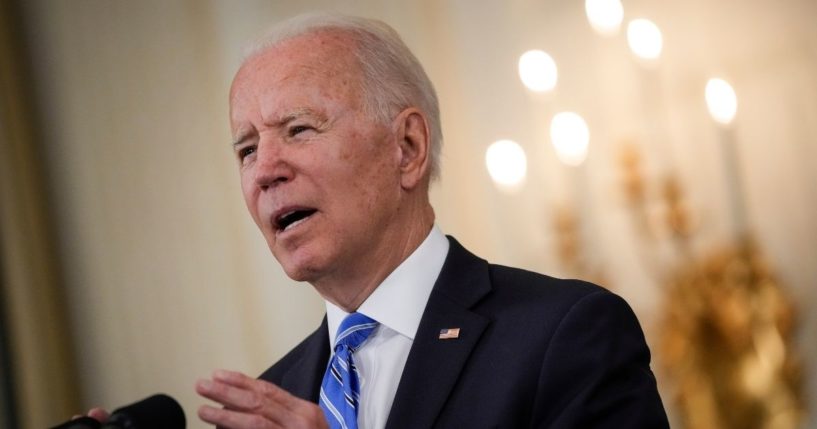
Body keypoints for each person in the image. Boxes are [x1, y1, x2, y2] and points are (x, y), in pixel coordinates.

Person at [192, 12, 669, 429]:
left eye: (299, 129)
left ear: (408, 148)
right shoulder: (268, 405)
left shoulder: (563, 337)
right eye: (247, 150)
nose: (265, 171)